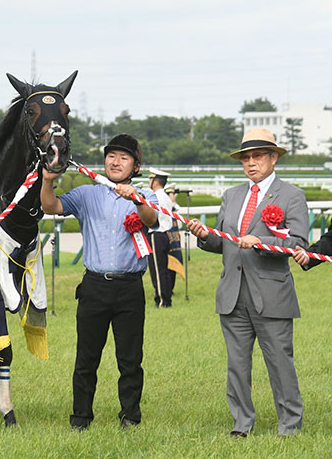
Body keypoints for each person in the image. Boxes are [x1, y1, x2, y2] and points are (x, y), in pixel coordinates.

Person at [187, 128, 308, 437]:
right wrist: (204, 237)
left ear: (273, 158)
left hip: (272, 294)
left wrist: (261, 240)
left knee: (280, 364)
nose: (251, 163)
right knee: (237, 366)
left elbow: (298, 242)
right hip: (232, 295)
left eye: (257, 157)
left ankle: (290, 425)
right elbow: (223, 242)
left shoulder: (292, 195)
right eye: (246, 158)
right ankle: (242, 423)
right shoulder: (232, 195)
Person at [41, 133, 159, 431]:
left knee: (130, 359)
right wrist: (47, 180)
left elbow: (151, 219)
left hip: (130, 287)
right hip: (94, 286)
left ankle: (130, 417)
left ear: (135, 165)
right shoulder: (87, 194)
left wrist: (135, 197)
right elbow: (51, 206)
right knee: (86, 359)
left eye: (124, 157)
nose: (115, 162)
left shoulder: (146, 195)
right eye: (111, 156)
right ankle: (81, 418)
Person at [146, 168, 175, 307]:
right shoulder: (165, 197)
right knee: (163, 269)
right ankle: (166, 297)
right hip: (164, 235)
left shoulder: (155, 197)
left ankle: (162, 300)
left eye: (150, 179)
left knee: (157, 270)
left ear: (155, 181)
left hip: (156, 234)